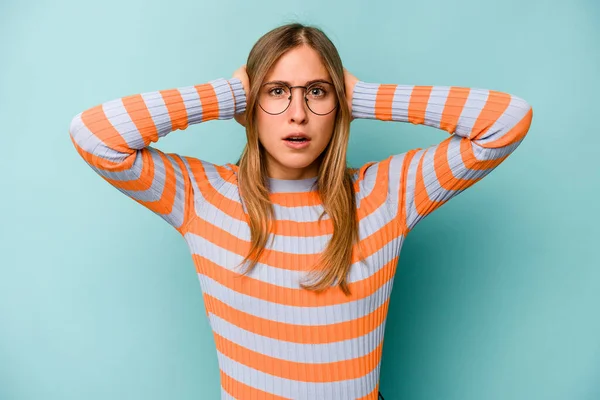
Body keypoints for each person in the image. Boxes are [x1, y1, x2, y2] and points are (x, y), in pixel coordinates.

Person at [68, 22, 533, 400]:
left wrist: (365, 97)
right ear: (251, 104)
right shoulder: (201, 196)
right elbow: (96, 136)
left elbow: (506, 122)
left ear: (339, 103)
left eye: (317, 92)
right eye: (275, 92)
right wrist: (230, 93)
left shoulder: (388, 193)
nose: (298, 114)